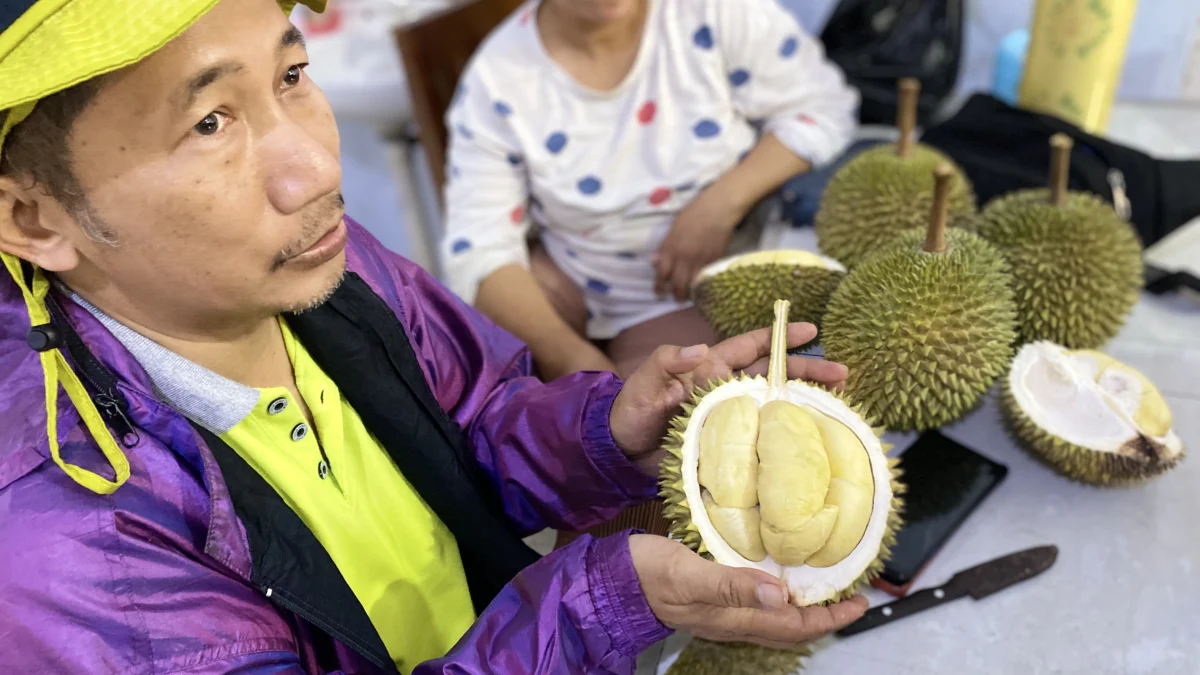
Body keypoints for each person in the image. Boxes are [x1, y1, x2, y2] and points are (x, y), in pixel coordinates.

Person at [0, 1, 867, 673]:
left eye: (292, 74)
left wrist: (611, 430)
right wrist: (599, 603)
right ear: (30, 216)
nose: (318, 168)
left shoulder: (325, 263)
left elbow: (474, 416)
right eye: (210, 124)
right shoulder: (66, 549)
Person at [440, 0, 858, 380]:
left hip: (699, 290)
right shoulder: (496, 82)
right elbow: (479, 248)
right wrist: (578, 365)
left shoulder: (713, 14)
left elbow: (822, 108)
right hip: (579, 278)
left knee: (704, 412)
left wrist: (721, 204)